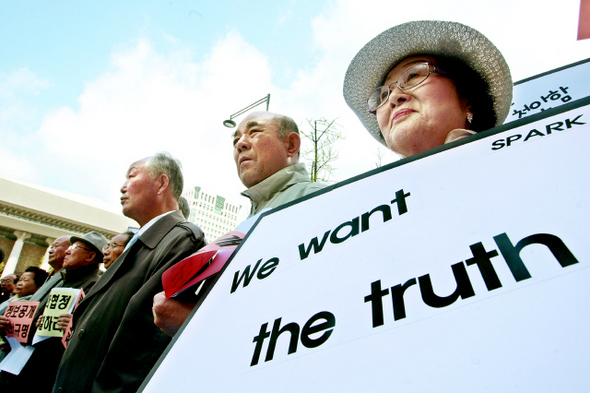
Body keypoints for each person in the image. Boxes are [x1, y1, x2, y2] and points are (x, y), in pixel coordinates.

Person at [152, 111, 327, 337]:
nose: (241, 144)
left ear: (291, 145)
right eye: (235, 140)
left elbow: (305, 307)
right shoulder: (250, 221)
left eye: (254, 132)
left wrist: (196, 323)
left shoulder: (317, 200)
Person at [53, 152, 206, 393]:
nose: (123, 187)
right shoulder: (141, 241)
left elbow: (143, 341)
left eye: (132, 176)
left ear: (161, 183)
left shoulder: (181, 239)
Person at [343, 20, 513, 158]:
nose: (394, 97)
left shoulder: (524, 158)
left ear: (468, 98)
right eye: (384, 95)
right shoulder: (370, 196)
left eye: (413, 76)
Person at [0, 231, 106, 392]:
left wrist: (71, 325)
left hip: (44, 373)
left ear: (90, 257)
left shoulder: (93, 287)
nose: (68, 251)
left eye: (75, 247)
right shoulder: (60, 280)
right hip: (20, 362)